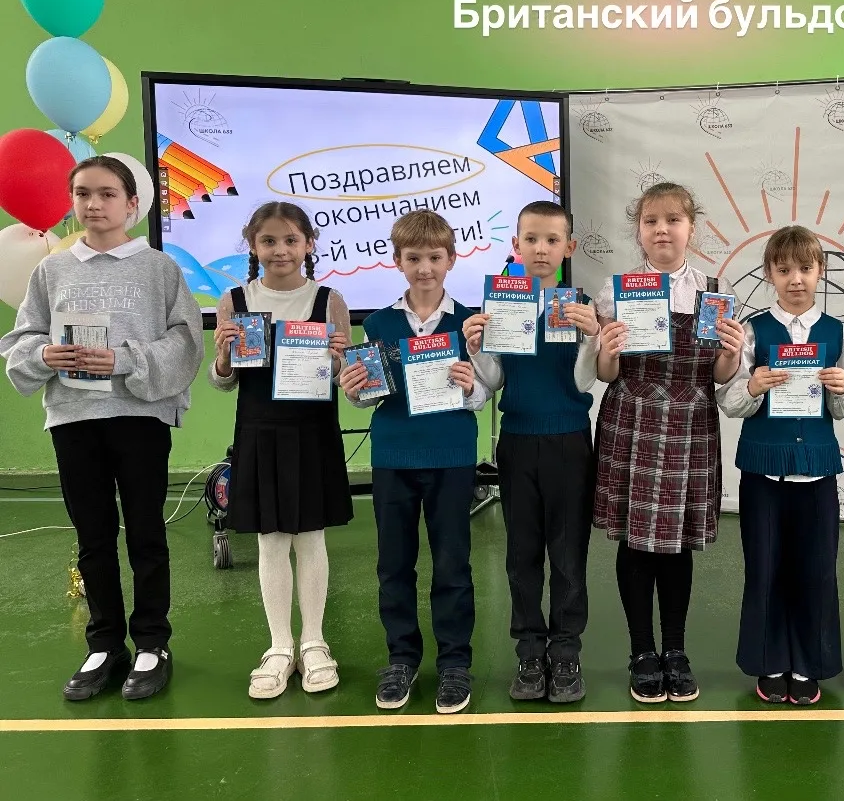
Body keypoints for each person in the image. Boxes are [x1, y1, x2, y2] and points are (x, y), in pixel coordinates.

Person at [0, 155, 202, 701]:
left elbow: (186, 341)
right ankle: (105, 644)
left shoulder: (159, 268)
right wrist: (43, 353)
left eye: (108, 194)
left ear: (132, 204)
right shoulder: (52, 271)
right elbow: (22, 338)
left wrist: (124, 360)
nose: (94, 204)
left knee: (146, 533)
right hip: (74, 418)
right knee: (93, 536)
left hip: (139, 417)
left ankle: (153, 642)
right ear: (71, 201)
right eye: (83, 193)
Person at [593, 181, 742, 703]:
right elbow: (606, 374)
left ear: (690, 228)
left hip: (690, 421)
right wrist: (607, 349)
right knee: (636, 543)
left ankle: (675, 651)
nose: (662, 230)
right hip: (632, 416)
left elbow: (718, 375)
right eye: (651, 221)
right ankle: (641, 651)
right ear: (638, 230)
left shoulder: (714, 291)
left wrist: (732, 352)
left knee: (677, 545)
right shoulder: (615, 291)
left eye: (673, 220)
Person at [339, 209, 490, 714]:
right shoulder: (378, 324)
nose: (424, 268)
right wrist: (353, 389)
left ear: (451, 260)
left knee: (452, 563)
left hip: (451, 456)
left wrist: (471, 388)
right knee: (394, 564)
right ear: (398, 261)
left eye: (434, 257)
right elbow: (368, 396)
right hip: (394, 457)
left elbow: (484, 392)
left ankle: (455, 663)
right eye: (414, 258)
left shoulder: (469, 322)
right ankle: (401, 658)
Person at [209, 201, 353, 699]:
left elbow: (345, 376)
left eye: (291, 240)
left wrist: (339, 362)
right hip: (259, 432)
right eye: (269, 241)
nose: (280, 250)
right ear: (254, 245)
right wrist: (222, 356)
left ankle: (314, 642)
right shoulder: (234, 301)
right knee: (270, 541)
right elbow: (223, 381)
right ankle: (279, 646)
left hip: (312, 432)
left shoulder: (329, 300)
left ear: (308, 244)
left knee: (310, 538)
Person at [716, 225, 844, 705]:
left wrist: (842, 389)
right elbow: (729, 400)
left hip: (817, 470)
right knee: (764, 569)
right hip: (763, 471)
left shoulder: (838, 332)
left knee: (817, 571)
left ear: (820, 271)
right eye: (784, 270)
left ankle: (809, 663)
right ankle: (771, 660)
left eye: (805, 268)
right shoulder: (753, 330)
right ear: (769, 274)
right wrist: (753, 386)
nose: (795, 279)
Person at [463, 201, 601, 703]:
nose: (541, 249)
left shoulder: (582, 305)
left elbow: (584, 382)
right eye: (531, 239)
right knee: (522, 555)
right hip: (518, 441)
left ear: (569, 247)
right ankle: (529, 650)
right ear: (515, 245)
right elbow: (495, 381)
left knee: (568, 554)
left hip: (569, 441)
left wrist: (592, 338)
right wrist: (476, 346)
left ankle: (565, 652)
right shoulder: (501, 304)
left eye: (552, 240)